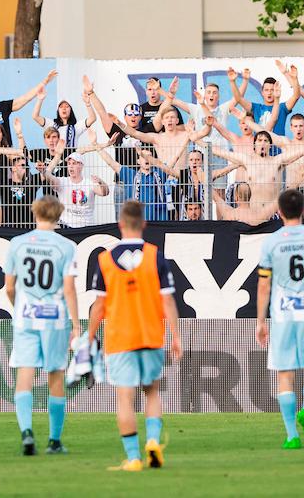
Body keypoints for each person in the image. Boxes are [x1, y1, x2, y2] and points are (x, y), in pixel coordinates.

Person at [88, 200, 184, 472]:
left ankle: (133, 458)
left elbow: (99, 305)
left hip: (120, 338)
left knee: (125, 398)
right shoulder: (156, 256)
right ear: (143, 224)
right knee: (152, 392)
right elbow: (168, 302)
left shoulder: (105, 259)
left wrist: (90, 335)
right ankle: (153, 442)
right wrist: (176, 336)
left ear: (120, 225)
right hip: (151, 334)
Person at [256, 189, 304, 449]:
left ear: (279, 212)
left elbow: (264, 285)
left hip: (283, 313)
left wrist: (260, 320)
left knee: (285, 374)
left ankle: (291, 435)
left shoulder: (271, 242)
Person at [4, 196, 82, 456]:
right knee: (55, 375)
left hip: (25, 315)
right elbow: (69, 288)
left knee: (25, 374)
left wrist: (18, 306)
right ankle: (54, 440)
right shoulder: (67, 246)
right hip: (54, 317)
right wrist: (75, 323)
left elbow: (9, 286)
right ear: (59, 214)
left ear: (35, 212)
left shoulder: (17, 243)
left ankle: (26, 431)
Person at [46, 154, 110, 228]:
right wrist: (44, 172)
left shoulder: (89, 183)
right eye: (69, 164)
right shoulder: (62, 181)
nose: (71, 166)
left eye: (74, 163)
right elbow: (51, 179)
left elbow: (104, 193)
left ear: (81, 165)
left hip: (85, 226)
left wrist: (101, 182)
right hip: (66, 225)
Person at [212, 183, 278, 226]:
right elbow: (278, 202)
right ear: (250, 196)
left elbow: (215, 196)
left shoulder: (229, 214)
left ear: (236, 197)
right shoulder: (259, 215)